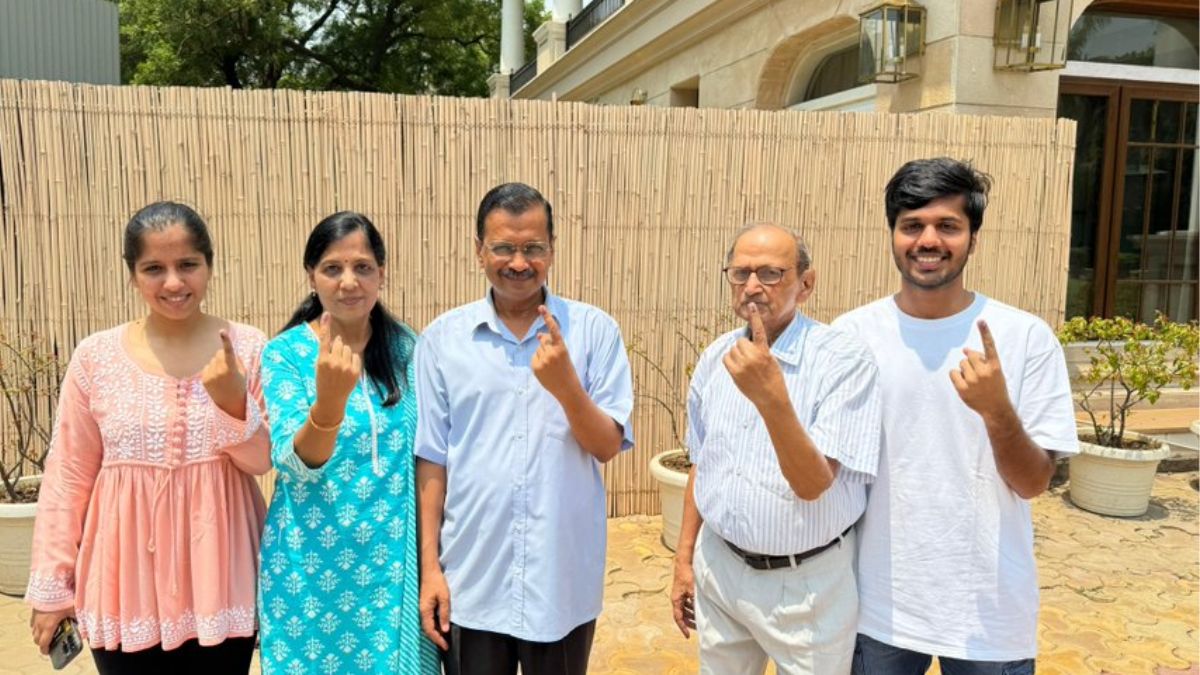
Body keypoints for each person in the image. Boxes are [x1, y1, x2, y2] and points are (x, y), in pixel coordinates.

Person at [833, 158, 1079, 675]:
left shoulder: (1024, 337)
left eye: (948, 225)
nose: (929, 240)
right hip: (879, 604)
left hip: (987, 611)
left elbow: (1034, 483)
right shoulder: (852, 336)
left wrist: (997, 412)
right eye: (912, 225)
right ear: (893, 234)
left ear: (973, 238)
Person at [26, 201, 271, 673]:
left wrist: (231, 401)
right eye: (154, 268)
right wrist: (52, 587)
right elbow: (68, 475)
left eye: (187, 265)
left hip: (220, 579)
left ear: (210, 267)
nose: (174, 283)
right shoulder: (95, 357)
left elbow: (262, 461)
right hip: (123, 583)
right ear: (133, 275)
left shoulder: (247, 346)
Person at [414, 182, 634, 675]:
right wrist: (431, 567)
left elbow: (606, 446)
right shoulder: (443, 340)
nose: (519, 262)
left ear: (552, 250)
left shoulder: (595, 332)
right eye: (504, 248)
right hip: (472, 579)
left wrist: (565, 386)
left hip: (559, 580)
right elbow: (432, 459)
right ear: (479, 252)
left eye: (533, 248)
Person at [670, 222, 882, 675]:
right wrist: (684, 559)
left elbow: (812, 484)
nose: (752, 287)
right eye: (740, 273)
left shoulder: (843, 361)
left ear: (806, 284)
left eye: (770, 274)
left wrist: (772, 397)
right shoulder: (715, 357)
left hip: (806, 588)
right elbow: (702, 464)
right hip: (721, 570)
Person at [257, 211, 439, 674]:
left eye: (362, 267)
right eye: (332, 268)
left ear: (382, 272)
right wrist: (330, 405)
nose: (349, 282)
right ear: (312, 277)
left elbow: (429, 456)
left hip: (391, 565)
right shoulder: (286, 355)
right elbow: (296, 463)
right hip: (309, 565)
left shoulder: (408, 351)